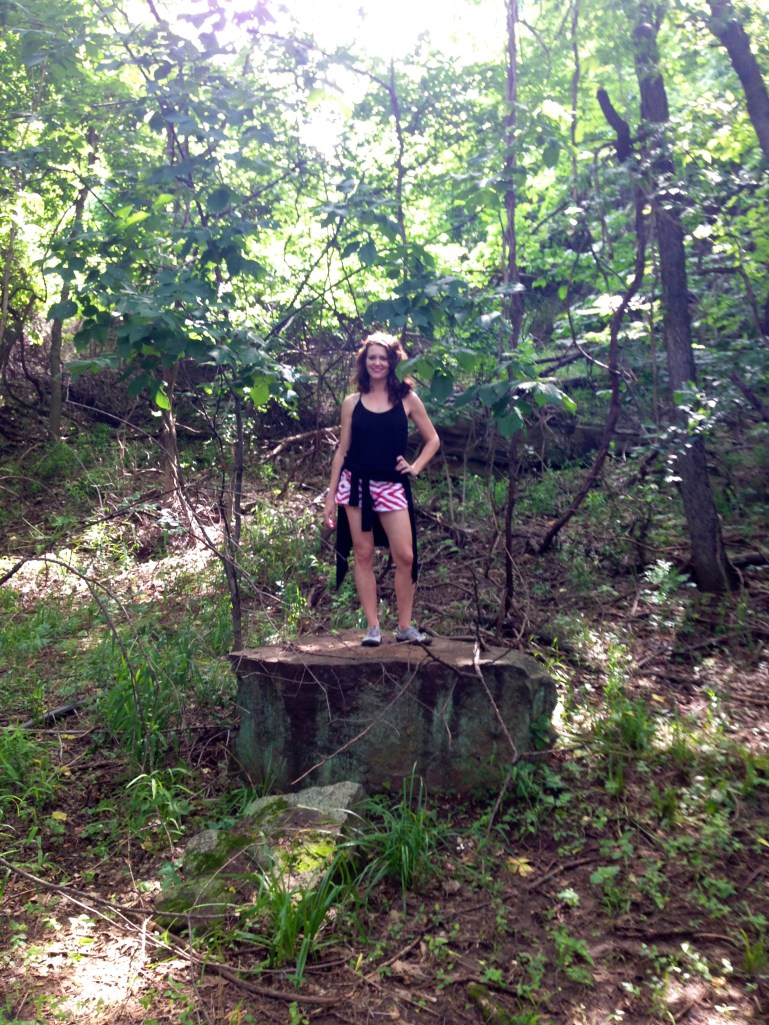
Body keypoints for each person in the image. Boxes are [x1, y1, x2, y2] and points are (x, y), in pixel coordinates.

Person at [324, 332, 440, 647]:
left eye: (383, 357)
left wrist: (415, 467)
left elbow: (433, 439)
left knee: (405, 555)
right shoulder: (352, 403)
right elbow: (342, 451)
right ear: (364, 362)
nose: (377, 363)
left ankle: (404, 627)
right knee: (362, 554)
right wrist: (330, 497)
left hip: (391, 484)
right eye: (372, 357)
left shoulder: (407, 400)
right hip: (356, 486)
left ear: (393, 361)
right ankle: (373, 627)